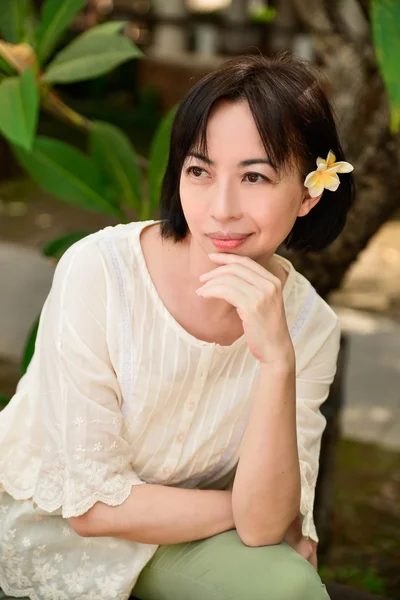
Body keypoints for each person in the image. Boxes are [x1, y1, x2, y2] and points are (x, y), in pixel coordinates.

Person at [0, 51, 354, 600]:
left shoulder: (309, 326)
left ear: (309, 193)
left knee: (288, 587)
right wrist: (235, 507)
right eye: (199, 171)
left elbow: (266, 528)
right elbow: (91, 509)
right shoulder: (101, 271)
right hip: (48, 525)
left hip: (183, 536)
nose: (221, 209)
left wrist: (277, 360)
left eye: (255, 176)